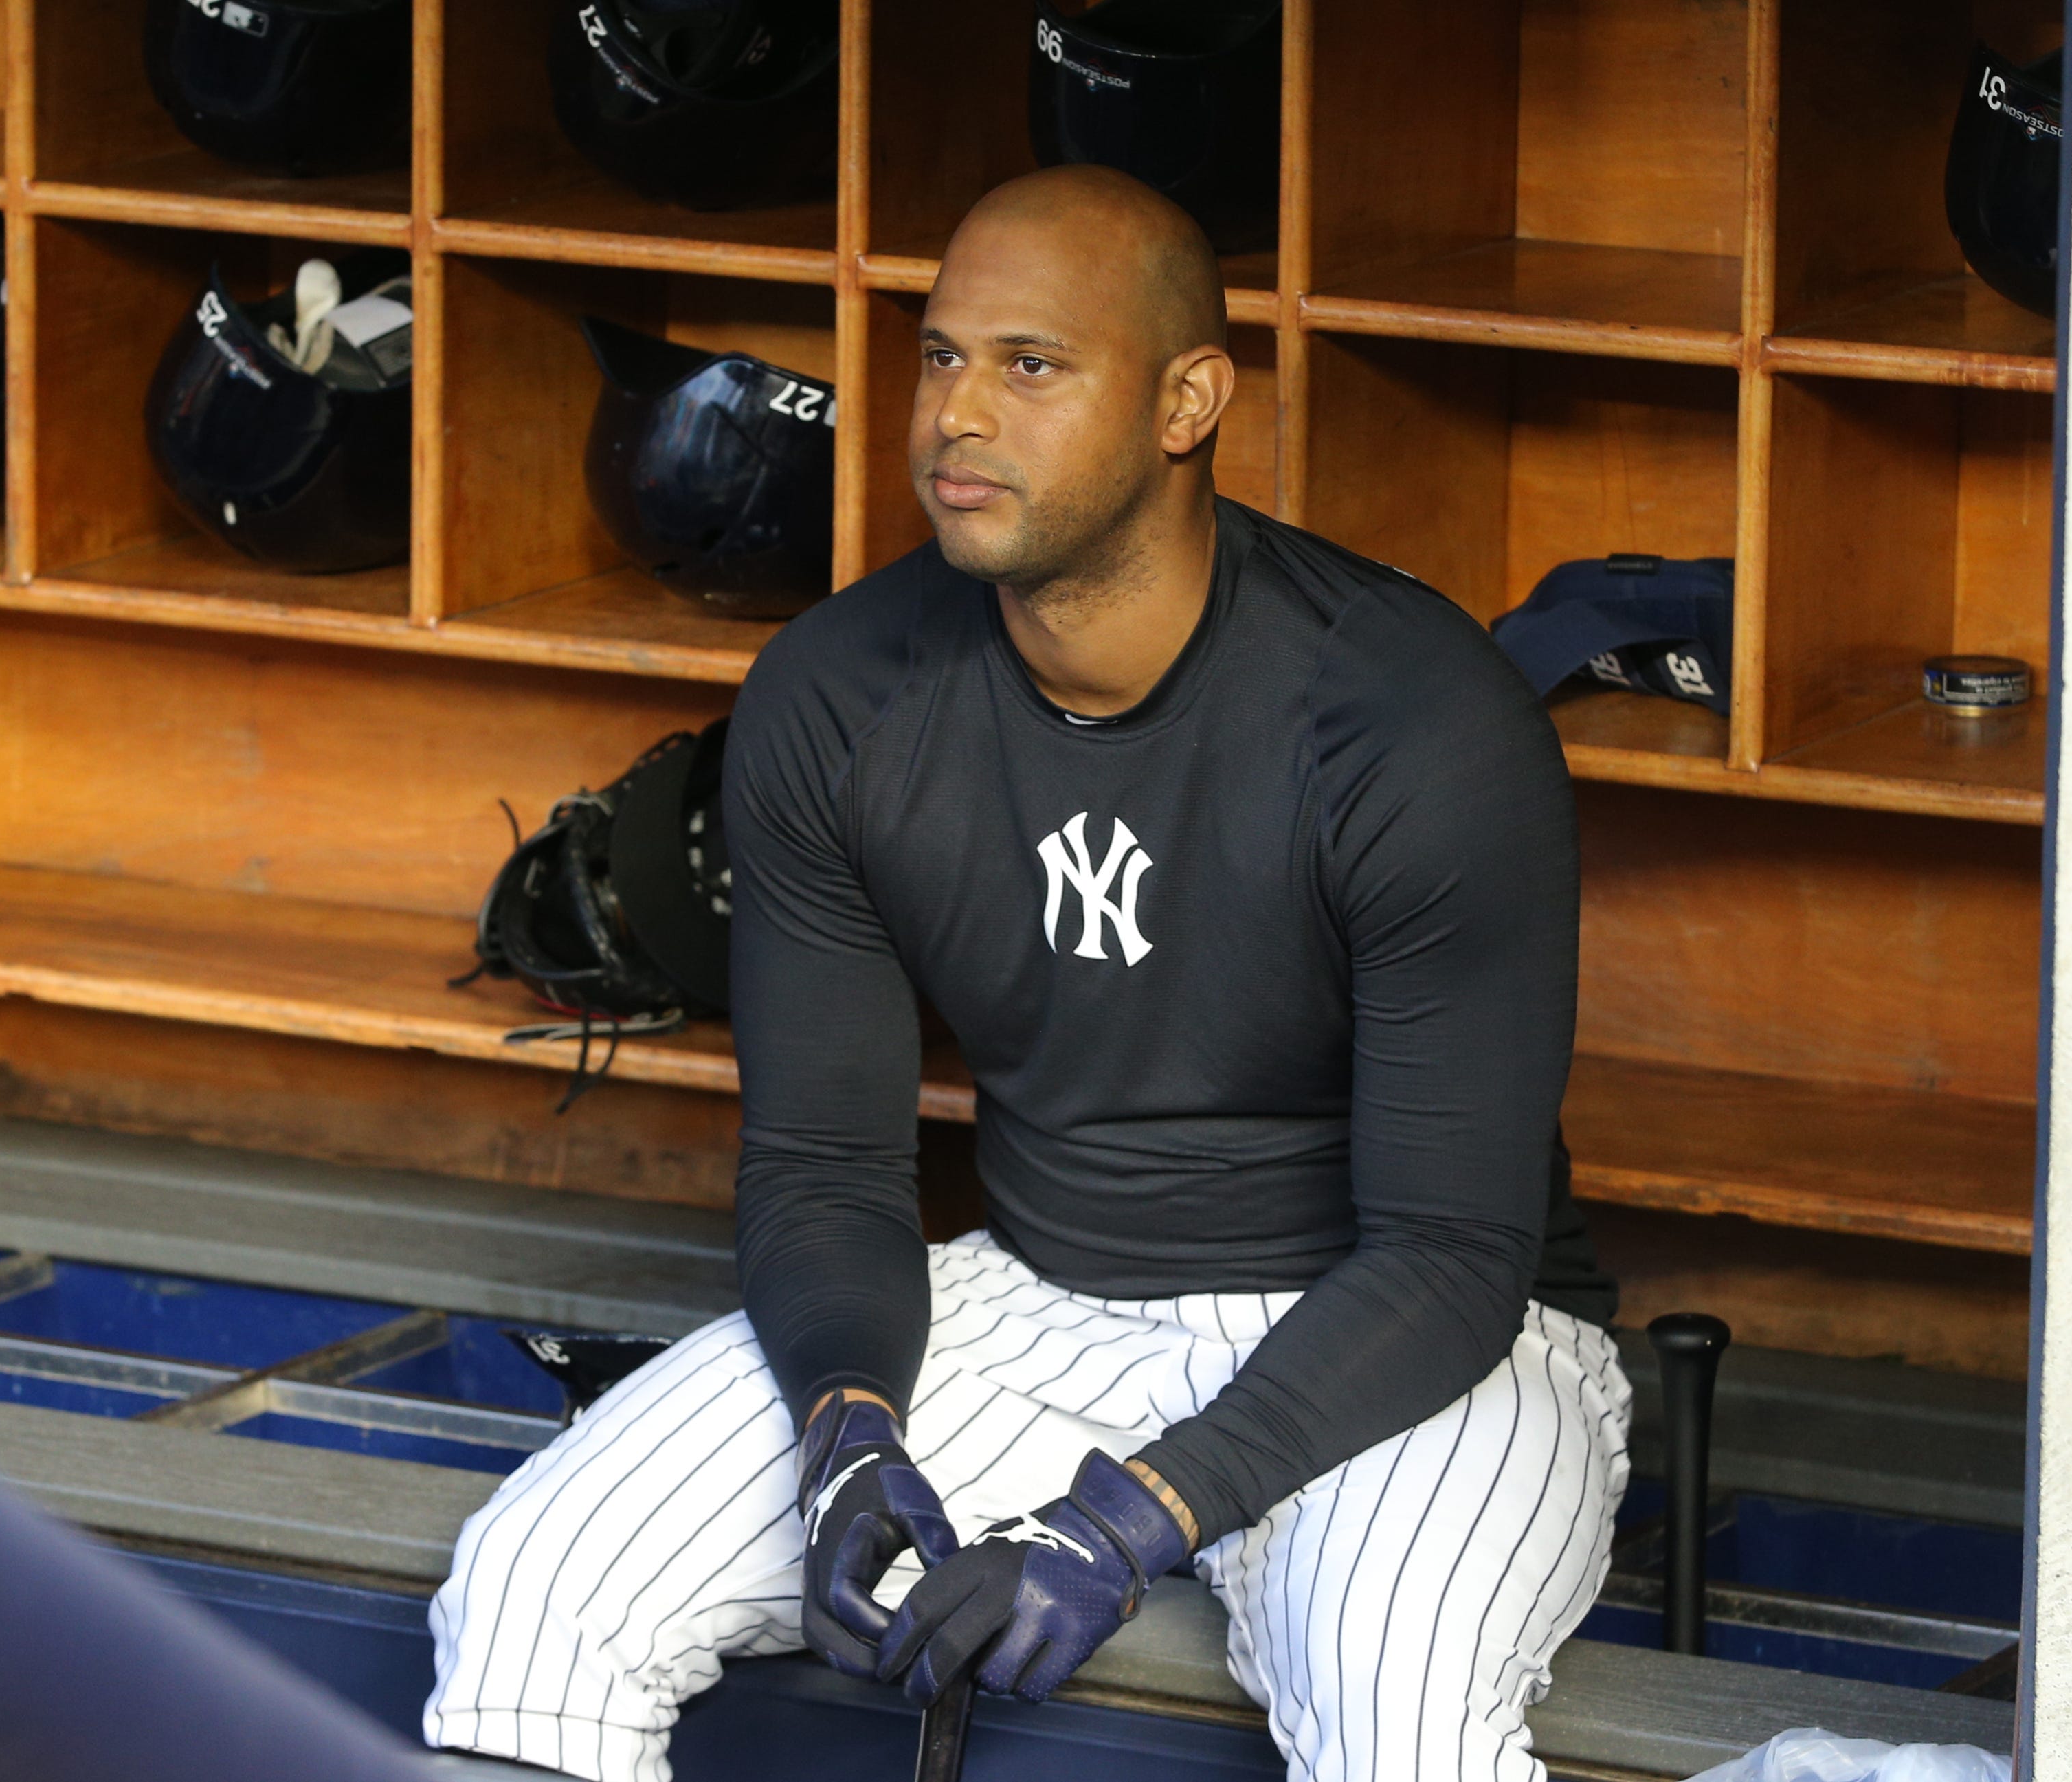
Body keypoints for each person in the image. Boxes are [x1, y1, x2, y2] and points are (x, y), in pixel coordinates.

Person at [424, 164, 1629, 1782]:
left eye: (1032, 366)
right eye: (939, 358)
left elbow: (1453, 1252)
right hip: (1051, 1294)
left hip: (1422, 1342)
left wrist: (1131, 1515)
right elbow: (825, 1164)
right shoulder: (840, 696)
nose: (957, 418)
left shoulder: (1410, 715)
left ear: (1190, 400)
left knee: (1400, 1713)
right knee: (539, 1586)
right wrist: (849, 1423)